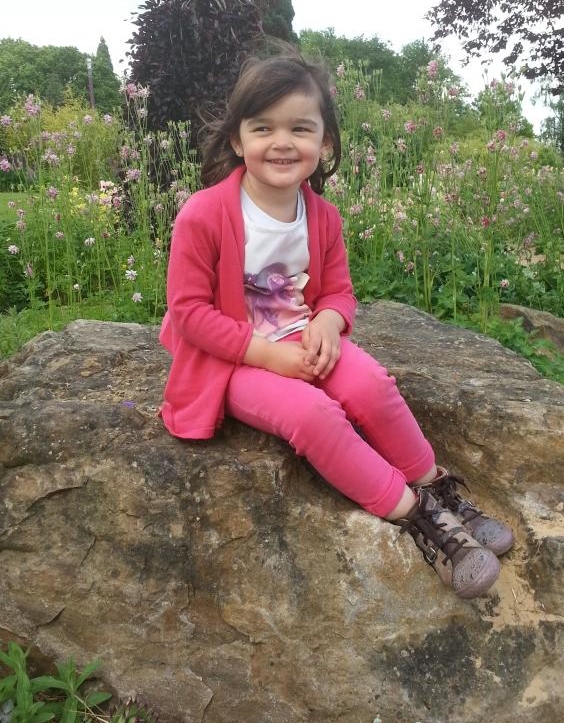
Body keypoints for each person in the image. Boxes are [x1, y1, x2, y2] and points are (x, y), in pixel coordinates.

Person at [159, 48, 513, 599]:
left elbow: (338, 292)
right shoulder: (203, 214)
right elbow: (189, 314)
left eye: (300, 128)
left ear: (325, 143)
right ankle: (419, 516)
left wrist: (327, 319)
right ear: (237, 141)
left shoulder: (321, 216)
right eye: (263, 128)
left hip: (303, 340)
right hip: (231, 361)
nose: (282, 142)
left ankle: (435, 484)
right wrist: (269, 355)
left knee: (371, 384)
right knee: (314, 415)